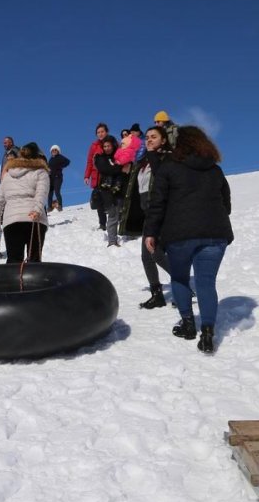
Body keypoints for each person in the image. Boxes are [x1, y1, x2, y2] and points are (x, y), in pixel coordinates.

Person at [144, 126, 233, 354]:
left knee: (180, 277)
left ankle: (187, 324)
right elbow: (226, 205)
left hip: (180, 235)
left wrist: (151, 232)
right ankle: (208, 332)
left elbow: (158, 204)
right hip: (215, 234)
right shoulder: (215, 171)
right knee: (206, 283)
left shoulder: (168, 168)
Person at [0, 142, 49, 263]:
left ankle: (14, 282)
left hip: (12, 220)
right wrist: (36, 210)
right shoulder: (41, 172)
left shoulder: (8, 175)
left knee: (14, 261)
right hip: (34, 219)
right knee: (34, 261)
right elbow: (41, 193)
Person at [133, 126, 173, 309]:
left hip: (160, 211)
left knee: (155, 252)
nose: (149, 139)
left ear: (163, 140)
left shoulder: (166, 158)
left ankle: (183, 285)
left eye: (154, 137)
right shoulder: (144, 161)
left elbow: (161, 176)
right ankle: (157, 294)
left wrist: (152, 155)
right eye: (147, 137)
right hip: (147, 211)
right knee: (146, 256)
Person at [93, 136, 126, 247]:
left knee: (121, 212)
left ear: (113, 146)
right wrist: (119, 168)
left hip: (120, 188)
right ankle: (112, 240)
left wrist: (119, 169)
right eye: (105, 146)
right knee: (112, 214)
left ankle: (126, 233)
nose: (107, 148)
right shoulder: (100, 157)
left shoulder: (119, 156)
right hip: (106, 190)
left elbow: (125, 168)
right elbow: (105, 169)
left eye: (109, 146)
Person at [84, 123, 109, 230]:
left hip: (109, 174)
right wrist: (86, 176)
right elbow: (89, 162)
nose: (100, 134)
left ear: (106, 132)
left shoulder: (112, 142)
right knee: (99, 201)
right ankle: (102, 224)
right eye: (98, 132)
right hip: (97, 175)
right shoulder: (93, 146)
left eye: (102, 131)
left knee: (111, 199)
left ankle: (114, 222)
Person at [47, 144, 71, 210]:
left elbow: (68, 161)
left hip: (58, 177)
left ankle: (60, 205)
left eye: (55, 150)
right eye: (52, 150)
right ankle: (49, 207)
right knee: (50, 193)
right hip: (50, 178)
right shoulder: (50, 159)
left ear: (58, 151)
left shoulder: (60, 157)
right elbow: (48, 167)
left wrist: (60, 166)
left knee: (57, 191)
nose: (54, 151)